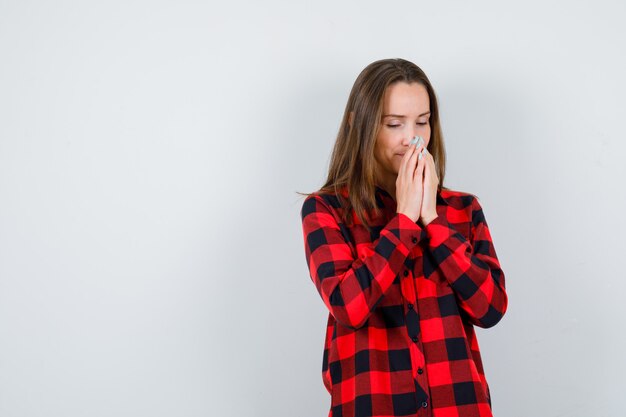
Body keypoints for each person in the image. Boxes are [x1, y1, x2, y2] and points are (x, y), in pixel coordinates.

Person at [299, 58, 508, 417]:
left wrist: (432, 219)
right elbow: (349, 307)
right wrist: (404, 221)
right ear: (359, 126)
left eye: (422, 122)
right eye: (394, 124)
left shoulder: (463, 210)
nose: (412, 138)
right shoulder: (326, 210)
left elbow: (490, 309)